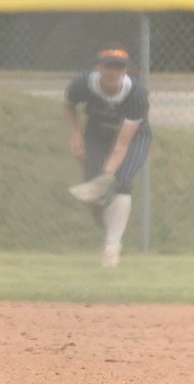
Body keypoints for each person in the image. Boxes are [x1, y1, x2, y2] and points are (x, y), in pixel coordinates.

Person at [64, 46, 152, 268]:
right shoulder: (83, 83)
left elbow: (122, 145)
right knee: (96, 198)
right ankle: (112, 231)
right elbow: (68, 104)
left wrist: (107, 175)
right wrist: (76, 134)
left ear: (125, 70)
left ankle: (111, 248)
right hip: (97, 132)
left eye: (119, 66)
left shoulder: (136, 94)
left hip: (133, 138)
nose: (113, 71)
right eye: (108, 65)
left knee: (120, 183)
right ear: (98, 67)